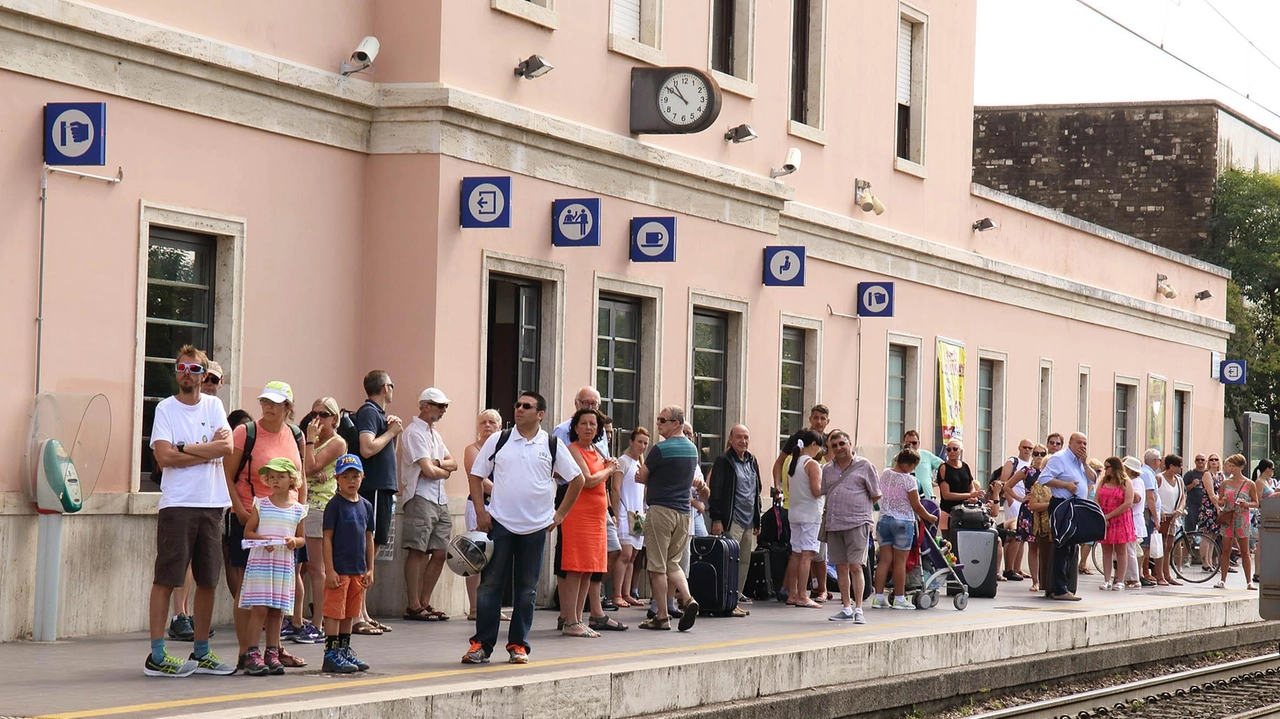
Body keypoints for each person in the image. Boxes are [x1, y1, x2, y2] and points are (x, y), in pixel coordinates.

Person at [464, 391, 585, 664]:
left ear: (540, 414)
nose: (519, 409)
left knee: (527, 589)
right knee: (490, 586)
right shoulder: (500, 439)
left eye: (527, 406)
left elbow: (576, 480)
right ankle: (481, 644)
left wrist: (560, 514)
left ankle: (518, 645)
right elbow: (475, 474)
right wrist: (481, 512)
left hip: (536, 528)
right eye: (517, 404)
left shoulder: (552, 444)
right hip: (501, 525)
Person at [145, 346, 235, 677]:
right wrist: (203, 451)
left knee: (208, 579)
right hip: (178, 504)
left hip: (211, 504)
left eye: (194, 369)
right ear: (176, 373)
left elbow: (226, 447)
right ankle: (157, 654)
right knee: (167, 577)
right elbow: (165, 458)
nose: (187, 373)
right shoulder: (166, 410)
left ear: (204, 375)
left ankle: (201, 652)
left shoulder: (214, 406)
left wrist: (185, 448)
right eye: (181, 367)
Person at [224, 381, 307, 668]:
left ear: (288, 407)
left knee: (279, 589)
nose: (268, 407)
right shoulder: (245, 432)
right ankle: (246, 651)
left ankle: (274, 649)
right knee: (250, 591)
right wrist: (241, 511)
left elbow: (301, 477)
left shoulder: (296, 435)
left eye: (275, 403)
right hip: (253, 518)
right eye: (264, 402)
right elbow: (229, 474)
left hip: (286, 523)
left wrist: (300, 513)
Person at [238, 458, 307, 676]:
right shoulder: (261, 504)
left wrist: (294, 542)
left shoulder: (298, 510)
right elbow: (248, 532)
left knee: (277, 611)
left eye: (281, 476)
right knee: (259, 608)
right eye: (272, 477)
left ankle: (272, 651)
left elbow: (302, 538)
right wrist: (262, 540)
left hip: (282, 564)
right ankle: (251, 652)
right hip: (262, 563)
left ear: (291, 480)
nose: (275, 481)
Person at [635, 405, 701, 632]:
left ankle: (662, 616)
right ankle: (688, 598)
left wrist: (643, 477)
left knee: (657, 565)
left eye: (663, 420)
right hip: (684, 512)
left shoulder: (660, 449)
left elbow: (642, 476)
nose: (659, 424)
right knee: (673, 562)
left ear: (676, 423)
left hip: (661, 510)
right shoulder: (692, 449)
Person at [558, 408, 624, 636]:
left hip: (596, 517)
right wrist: (609, 469)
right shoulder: (573, 449)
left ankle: (578, 618)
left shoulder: (595, 450)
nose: (588, 427)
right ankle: (569, 621)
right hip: (578, 516)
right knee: (575, 568)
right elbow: (587, 480)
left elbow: (601, 482)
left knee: (588, 569)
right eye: (583, 423)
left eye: (592, 424)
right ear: (575, 427)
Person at [397, 387, 456, 622]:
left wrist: (439, 465)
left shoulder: (434, 434)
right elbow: (428, 471)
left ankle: (424, 601)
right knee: (417, 550)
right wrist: (441, 470)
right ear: (425, 406)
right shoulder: (414, 432)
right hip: (421, 496)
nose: (443, 410)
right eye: (440, 405)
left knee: (440, 552)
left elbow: (452, 464)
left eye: (445, 406)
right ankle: (413, 604)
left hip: (439, 498)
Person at [294, 397, 346, 644]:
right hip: (301, 505)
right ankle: (295, 620)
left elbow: (309, 466)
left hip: (319, 508)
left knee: (317, 568)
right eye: (315, 413)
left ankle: (318, 623)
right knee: (299, 567)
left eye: (324, 414)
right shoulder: (308, 439)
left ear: (334, 419)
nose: (318, 418)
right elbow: (297, 468)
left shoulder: (337, 443)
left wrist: (311, 440)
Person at [322, 454, 376, 674]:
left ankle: (344, 648)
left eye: (355, 476)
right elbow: (327, 538)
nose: (351, 481)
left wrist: (370, 567)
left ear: (362, 477)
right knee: (335, 611)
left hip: (357, 570)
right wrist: (330, 569)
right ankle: (331, 652)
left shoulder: (366, 506)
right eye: (346, 477)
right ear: (337, 479)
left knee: (350, 613)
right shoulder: (334, 505)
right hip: (340, 569)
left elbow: (368, 537)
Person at [820, 429, 880, 623]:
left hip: (858, 522)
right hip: (835, 522)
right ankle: (846, 608)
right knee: (840, 567)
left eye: (841, 444)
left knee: (856, 566)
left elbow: (876, 493)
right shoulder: (827, 469)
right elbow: (823, 491)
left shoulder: (865, 465)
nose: (838, 448)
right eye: (834, 445)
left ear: (849, 443)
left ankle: (859, 609)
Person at [872, 448, 937, 609]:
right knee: (900, 562)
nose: (913, 470)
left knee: (884, 560)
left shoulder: (886, 473)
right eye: (914, 467)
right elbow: (916, 505)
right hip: (902, 522)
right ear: (907, 465)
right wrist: (929, 517)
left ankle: (878, 598)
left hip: (884, 521)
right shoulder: (909, 480)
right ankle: (899, 598)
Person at [708, 424, 762, 609]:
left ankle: (735, 598)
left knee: (744, 561)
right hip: (731, 521)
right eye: (739, 437)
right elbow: (716, 490)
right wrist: (716, 519)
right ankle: (724, 598)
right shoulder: (724, 460)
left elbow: (757, 490)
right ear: (731, 439)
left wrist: (757, 518)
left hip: (748, 520)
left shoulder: (752, 460)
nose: (743, 441)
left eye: (746, 437)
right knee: (729, 561)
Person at [1038, 432, 1092, 601]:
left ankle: (1062, 586)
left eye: (1085, 443)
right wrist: (1066, 485)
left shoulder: (1079, 461)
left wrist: (1085, 464)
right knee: (1062, 546)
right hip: (1062, 505)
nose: (1082, 446)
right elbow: (1044, 478)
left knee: (1071, 548)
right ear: (1070, 443)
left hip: (1076, 506)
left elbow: (1092, 479)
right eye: (1079, 443)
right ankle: (1059, 589)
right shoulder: (1059, 458)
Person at [462, 409, 504, 621]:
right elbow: (477, 478)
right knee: (476, 557)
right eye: (483, 423)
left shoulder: (505, 448)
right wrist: (505, 491)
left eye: (492, 422)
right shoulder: (473, 449)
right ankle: (475, 608)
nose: (487, 426)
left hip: (502, 508)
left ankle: (493, 607)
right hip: (480, 506)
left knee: (498, 557)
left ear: (500, 426)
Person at [782, 431, 824, 609]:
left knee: (796, 554)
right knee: (808, 554)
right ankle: (802, 595)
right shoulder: (812, 464)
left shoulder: (793, 461)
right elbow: (816, 491)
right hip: (810, 514)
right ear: (813, 444)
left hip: (795, 512)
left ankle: (792, 594)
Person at [612, 428, 650, 609]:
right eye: (640, 442)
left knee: (633, 555)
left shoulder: (640, 464)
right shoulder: (623, 461)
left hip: (637, 515)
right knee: (625, 554)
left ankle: (626, 593)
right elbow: (616, 488)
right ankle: (617, 593)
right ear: (631, 441)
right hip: (624, 513)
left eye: (645, 443)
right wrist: (616, 513)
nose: (642, 446)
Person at [1215, 454, 1257, 590]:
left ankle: (1249, 581)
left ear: (1241, 467)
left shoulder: (1250, 484)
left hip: (1242, 518)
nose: (1231, 469)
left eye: (1233, 466)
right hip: (1228, 517)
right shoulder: (1225, 483)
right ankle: (1222, 580)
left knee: (1244, 551)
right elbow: (1220, 501)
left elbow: (1256, 502)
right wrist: (1223, 501)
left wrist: (1246, 503)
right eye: (1229, 466)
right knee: (1226, 549)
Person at [1096, 457, 1135, 591]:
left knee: (1121, 550)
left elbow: (1128, 503)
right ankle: (1107, 579)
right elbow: (1096, 500)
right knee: (1106, 549)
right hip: (1104, 518)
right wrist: (1101, 516)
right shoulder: (1102, 483)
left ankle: (1120, 580)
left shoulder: (1125, 482)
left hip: (1120, 518)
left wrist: (1109, 515)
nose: (1105, 470)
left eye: (1108, 467)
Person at [999, 440, 1034, 581]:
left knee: (1022, 537)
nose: (1027, 450)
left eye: (1030, 448)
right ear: (1019, 448)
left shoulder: (1030, 466)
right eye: (1025, 447)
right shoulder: (1013, 461)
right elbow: (1003, 481)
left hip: (1025, 504)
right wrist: (1010, 499)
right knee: (1013, 535)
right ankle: (1009, 568)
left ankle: (1017, 568)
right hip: (1014, 502)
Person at [1024, 450, 1053, 592]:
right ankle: (1044, 584)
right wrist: (1050, 505)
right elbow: (1033, 505)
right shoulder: (1039, 484)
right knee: (1045, 555)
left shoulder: (1062, 483)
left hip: (1059, 526)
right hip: (1044, 526)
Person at [937, 439, 980, 534]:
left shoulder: (965, 466)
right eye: (948, 449)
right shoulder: (943, 468)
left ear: (961, 451)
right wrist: (969, 496)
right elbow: (946, 495)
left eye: (955, 449)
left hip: (966, 512)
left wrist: (973, 496)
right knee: (950, 543)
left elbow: (971, 486)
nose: (951, 452)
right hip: (949, 512)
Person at [1154, 454, 1185, 587]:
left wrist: (1180, 509)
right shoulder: (1159, 478)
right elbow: (1153, 496)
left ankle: (1166, 574)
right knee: (1158, 546)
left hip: (1172, 516)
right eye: (1179, 466)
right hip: (1161, 516)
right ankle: (1159, 574)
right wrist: (1158, 510)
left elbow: (1183, 496)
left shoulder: (1179, 480)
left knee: (1168, 546)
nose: (1180, 468)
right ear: (1171, 466)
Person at [1137, 449, 1163, 586]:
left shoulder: (1149, 473)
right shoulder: (1147, 474)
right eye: (1159, 459)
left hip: (1149, 512)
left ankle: (1140, 573)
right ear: (1155, 461)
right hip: (1147, 512)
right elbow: (1150, 497)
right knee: (1144, 545)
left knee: (1145, 546)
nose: (1160, 462)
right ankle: (1139, 573)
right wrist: (1156, 517)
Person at [902, 430, 943, 500]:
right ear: (903, 443)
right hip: (906, 500)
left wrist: (938, 480)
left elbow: (943, 466)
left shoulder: (926, 455)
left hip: (926, 498)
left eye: (914, 443)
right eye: (908, 443)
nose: (911, 445)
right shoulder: (898, 458)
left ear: (918, 443)